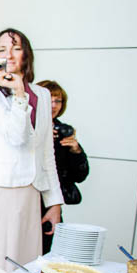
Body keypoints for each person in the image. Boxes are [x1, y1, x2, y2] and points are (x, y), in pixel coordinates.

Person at [0, 28, 63, 271]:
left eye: (16, 48)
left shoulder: (42, 94)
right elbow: (16, 136)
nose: (9, 55)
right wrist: (18, 93)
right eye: (2, 50)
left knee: (25, 266)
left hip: (31, 191)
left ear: (26, 55)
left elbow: (46, 152)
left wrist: (54, 202)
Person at [37, 79, 89, 253]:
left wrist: (76, 150)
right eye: (49, 99)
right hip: (25, 199)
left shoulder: (64, 131)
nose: (53, 105)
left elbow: (79, 176)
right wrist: (37, 138)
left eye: (58, 101)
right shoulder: (23, 127)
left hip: (51, 203)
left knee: (46, 252)